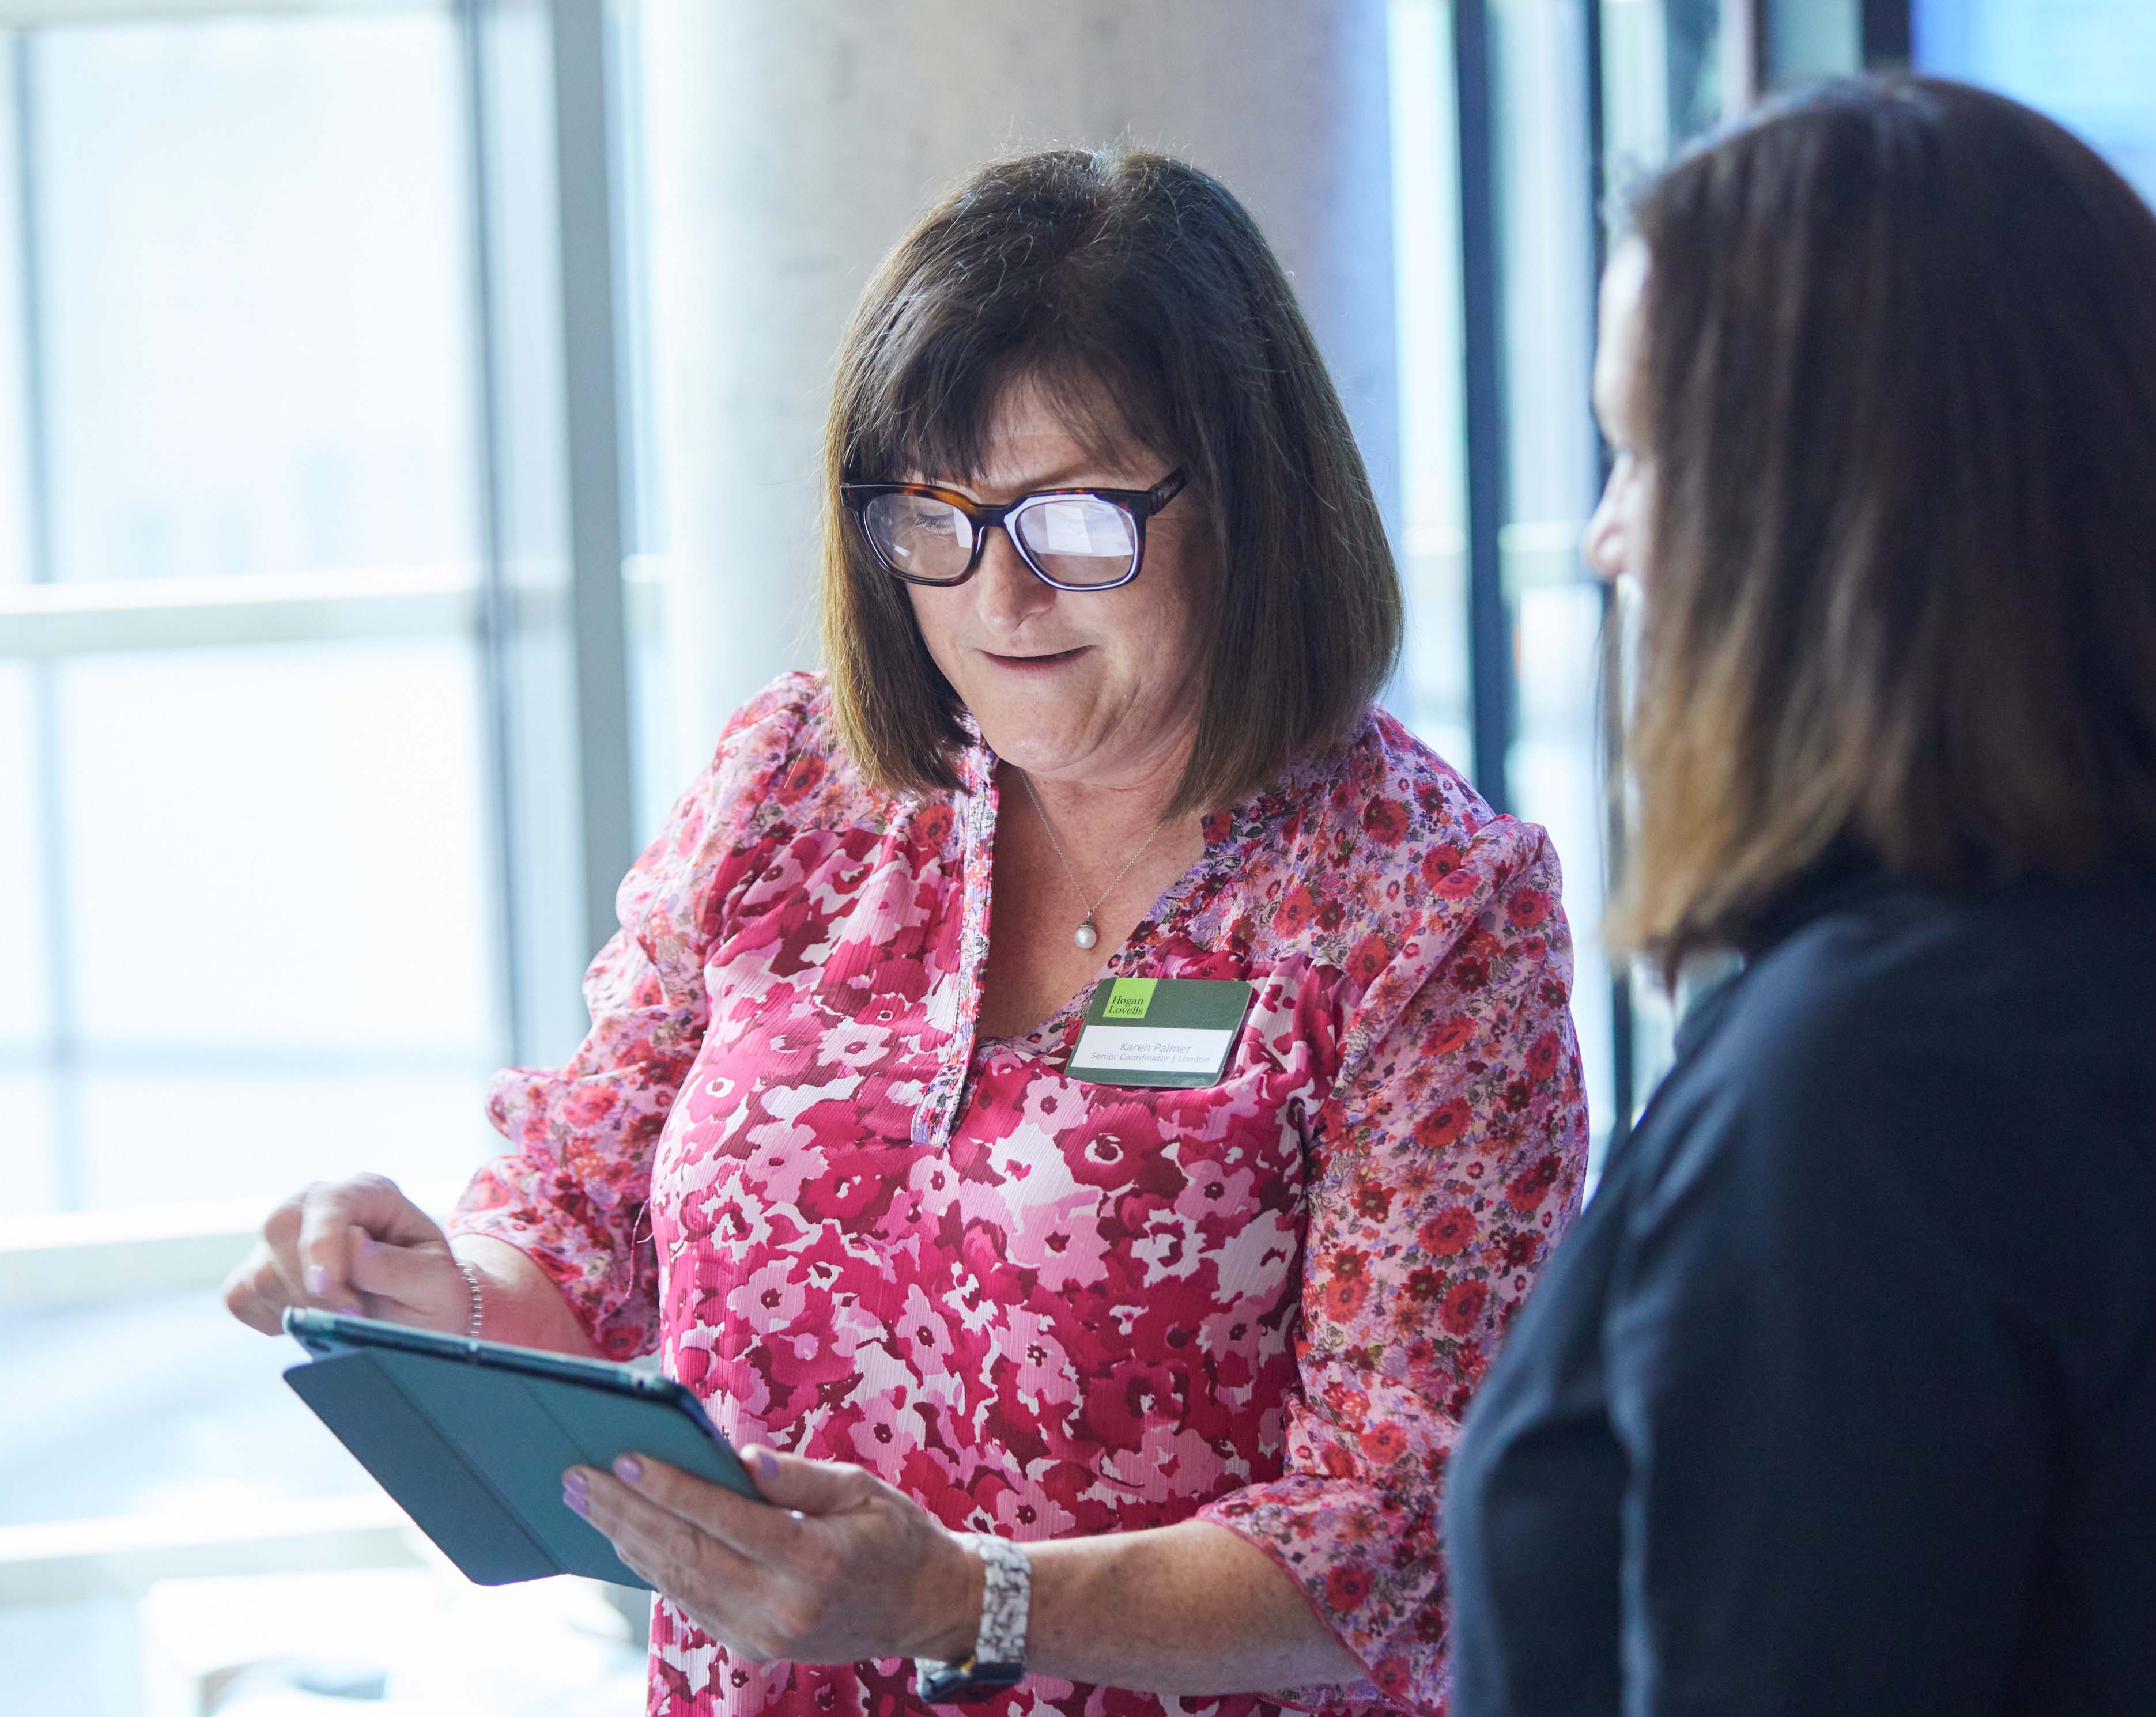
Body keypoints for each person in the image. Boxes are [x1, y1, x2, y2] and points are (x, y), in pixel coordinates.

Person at [225, 148, 1592, 1717]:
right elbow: (578, 1230)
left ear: (1249, 502)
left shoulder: (1427, 910)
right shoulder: (798, 786)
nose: (1000, 597)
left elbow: (1409, 1535)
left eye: (1075, 517)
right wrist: (429, 1291)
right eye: (934, 517)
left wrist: (962, 1598)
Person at [1444, 75, 2156, 1717]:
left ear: (1824, 521)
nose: (1605, 539)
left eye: (1646, 455)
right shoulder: (2113, 961)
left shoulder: (1868, 1081)